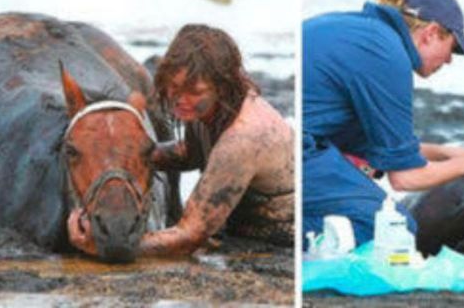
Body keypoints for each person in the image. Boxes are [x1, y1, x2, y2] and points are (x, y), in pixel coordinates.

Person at [302, 0, 464, 247]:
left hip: (295, 136)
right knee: (395, 230)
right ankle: (296, 232)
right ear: (430, 33)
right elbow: (405, 178)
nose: (450, 60)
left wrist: (447, 153)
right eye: (452, 48)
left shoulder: (357, 30)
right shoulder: (388, 56)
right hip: (300, 150)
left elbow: (385, 149)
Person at [68, 24, 295, 256]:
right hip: (238, 228)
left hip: (276, 241)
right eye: (174, 87)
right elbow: (191, 154)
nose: (181, 100)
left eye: (195, 92)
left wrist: (106, 245)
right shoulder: (207, 109)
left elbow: (189, 235)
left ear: (223, 87)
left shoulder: (243, 138)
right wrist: (127, 156)